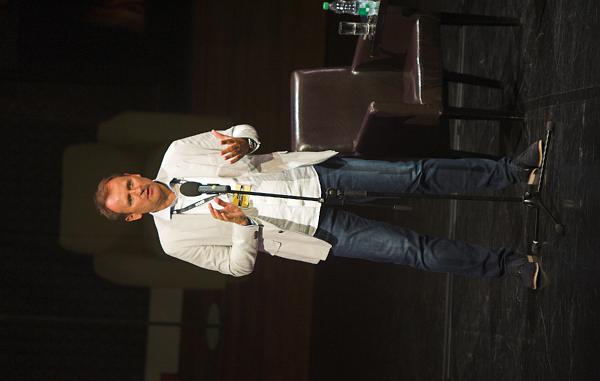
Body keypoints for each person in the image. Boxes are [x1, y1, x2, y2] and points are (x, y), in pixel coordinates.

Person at [94, 124, 546, 289]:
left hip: (311, 175)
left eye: (130, 183)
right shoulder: (174, 241)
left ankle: (512, 170)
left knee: (415, 173)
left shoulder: (177, 153)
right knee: (411, 250)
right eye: (129, 199)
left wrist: (245, 141)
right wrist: (240, 224)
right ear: (133, 215)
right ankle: (508, 266)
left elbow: (239, 132)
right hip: (308, 229)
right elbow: (237, 267)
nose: (137, 191)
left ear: (134, 174)